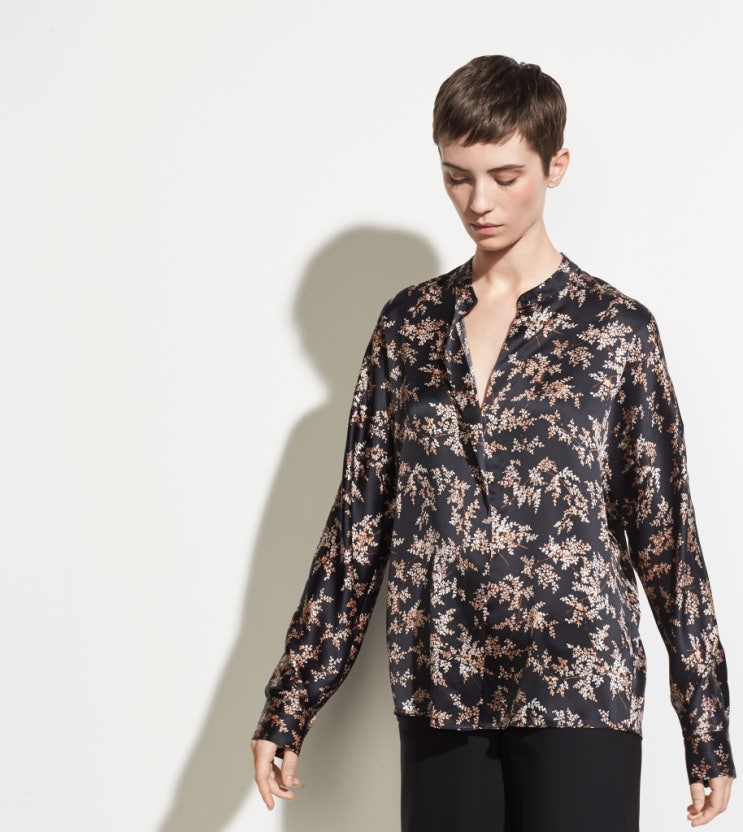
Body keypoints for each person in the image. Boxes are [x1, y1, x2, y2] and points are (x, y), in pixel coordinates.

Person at [251, 55, 736, 831]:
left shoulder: (615, 330)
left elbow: (665, 534)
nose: (479, 202)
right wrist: (289, 703)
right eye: (457, 177)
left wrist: (704, 724)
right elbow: (358, 527)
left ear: (554, 166)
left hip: (581, 685)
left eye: (504, 177)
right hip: (441, 685)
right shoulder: (407, 327)